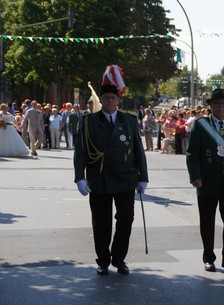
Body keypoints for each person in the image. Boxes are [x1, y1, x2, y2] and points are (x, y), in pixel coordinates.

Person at [73, 80, 149, 276]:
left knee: (126, 219)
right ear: (101, 100)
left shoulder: (129, 121)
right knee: (101, 223)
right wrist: (79, 177)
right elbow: (80, 151)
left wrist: (143, 177)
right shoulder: (89, 121)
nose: (109, 101)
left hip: (125, 178)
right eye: (105, 98)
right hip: (99, 178)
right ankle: (103, 261)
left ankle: (119, 258)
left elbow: (139, 151)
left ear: (118, 100)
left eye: (112, 98)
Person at [186, 88, 224, 275]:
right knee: (207, 221)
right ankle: (209, 258)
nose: (221, 106)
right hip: (207, 181)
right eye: (217, 103)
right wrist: (195, 176)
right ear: (211, 105)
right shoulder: (201, 125)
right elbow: (192, 153)